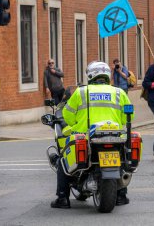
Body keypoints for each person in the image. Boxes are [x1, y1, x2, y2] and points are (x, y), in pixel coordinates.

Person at [50, 61, 133, 208]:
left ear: (90, 75)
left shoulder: (81, 92)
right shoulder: (119, 92)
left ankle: (63, 198)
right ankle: (121, 195)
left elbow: (67, 116)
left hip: (85, 136)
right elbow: (129, 117)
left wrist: (78, 123)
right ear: (107, 75)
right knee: (120, 162)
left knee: (63, 160)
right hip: (114, 136)